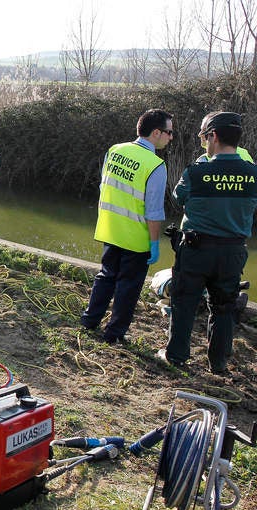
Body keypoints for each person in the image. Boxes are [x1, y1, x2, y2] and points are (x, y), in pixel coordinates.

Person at [157, 112, 257, 374]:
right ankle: (218, 362)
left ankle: (176, 357)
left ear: (213, 136)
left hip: (196, 249)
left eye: (204, 137)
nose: (204, 143)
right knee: (224, 307)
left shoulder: (198, 171)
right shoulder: (253, 174)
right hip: (233, 252)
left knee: (185, 302)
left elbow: (178, 198)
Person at [80, 108, 173, 344]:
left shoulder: (116, 150)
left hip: (110, 229)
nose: (171, 137)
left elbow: (104, 186)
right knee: (128, 287)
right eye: (169, 132)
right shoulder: (155, 165)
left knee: (106, 276)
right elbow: (153, 211)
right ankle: (114, 334)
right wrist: (154, 242)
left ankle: (89, 320)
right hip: (136, 237)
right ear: (155, 132)